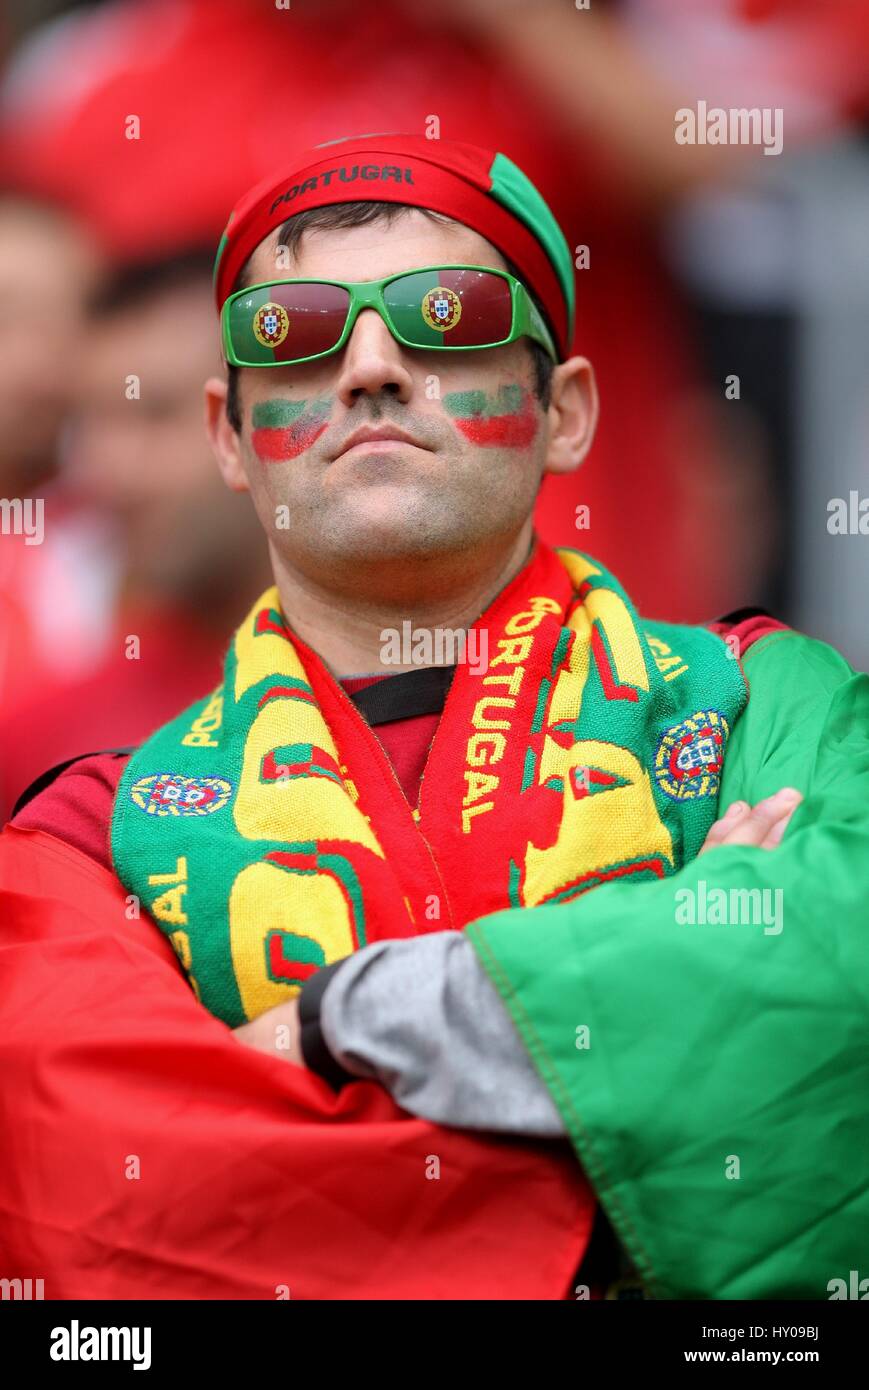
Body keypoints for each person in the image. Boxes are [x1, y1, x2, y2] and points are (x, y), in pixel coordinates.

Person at [1, 135, 866, 1301]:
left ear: (565, 413)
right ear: (226, 438)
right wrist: (647, 1056)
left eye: (446, 312)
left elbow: (828, 981)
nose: (368, 366)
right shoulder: (83, 833)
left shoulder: (770, 698)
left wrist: (334, 1026)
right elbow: (91, 1193)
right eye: (290, 333)